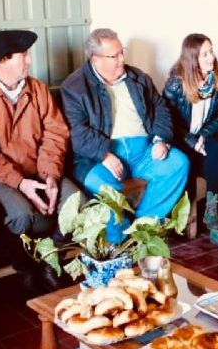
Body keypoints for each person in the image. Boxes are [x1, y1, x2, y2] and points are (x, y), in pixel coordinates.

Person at [0, 30, 80, 295]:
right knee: (20, 214)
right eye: (23, 56)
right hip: (1, 175)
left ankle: (51, 260)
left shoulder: (37, 88)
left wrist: (49, 176)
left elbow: (56, 133)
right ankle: (25, 267)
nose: (29, 61)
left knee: (76, 204)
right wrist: (22, 184)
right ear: (4, 60)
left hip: (41, 169)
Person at [60, 28, 189, 241]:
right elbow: (77, 131)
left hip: (143, 151)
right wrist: (104, 154)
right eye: (115, 56)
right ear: (95, 59)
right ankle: (119, 242)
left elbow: (160, 108)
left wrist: (161, 140)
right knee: (107, 189)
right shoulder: (74, 87)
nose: (122, 59)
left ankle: (141, 228)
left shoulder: (138, 78)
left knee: (178, 163)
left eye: (122, 52)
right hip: (99, 158)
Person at [163, 33, 218, 252]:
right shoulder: (176, 83)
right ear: (192, 58)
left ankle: (213, 217)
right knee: (186, 159)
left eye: (211, 51)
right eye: (204, 54)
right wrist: (192, 140)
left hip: (205, 138)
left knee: (216, 148)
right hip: (182, 140)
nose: (210, 58)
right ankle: (181, 219)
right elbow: (168, 122)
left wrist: (203, 135)